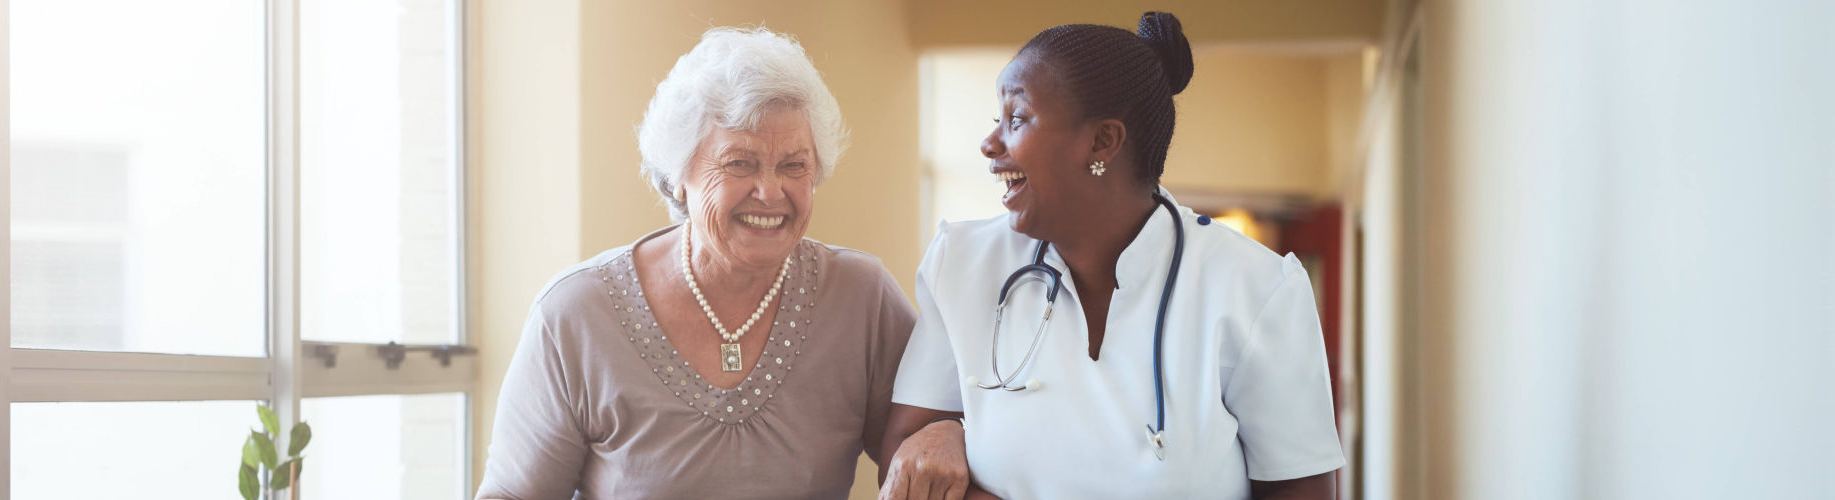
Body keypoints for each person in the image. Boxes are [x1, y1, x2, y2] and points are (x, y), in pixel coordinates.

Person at [878, 12, 1343, 500]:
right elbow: (903, 463)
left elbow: (1301, 489)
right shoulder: (962, 265)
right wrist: (942, 433)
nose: (990, 143)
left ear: (1103, 141)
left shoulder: (1256, 287)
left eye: (1016, 118)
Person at [475, 27, 915, 499]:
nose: (770, 192)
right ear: (679, 174)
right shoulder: (577, 314)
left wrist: (944, 433)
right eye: (739, 163)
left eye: (793, 165)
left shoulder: (861, 298)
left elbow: (937, 436)